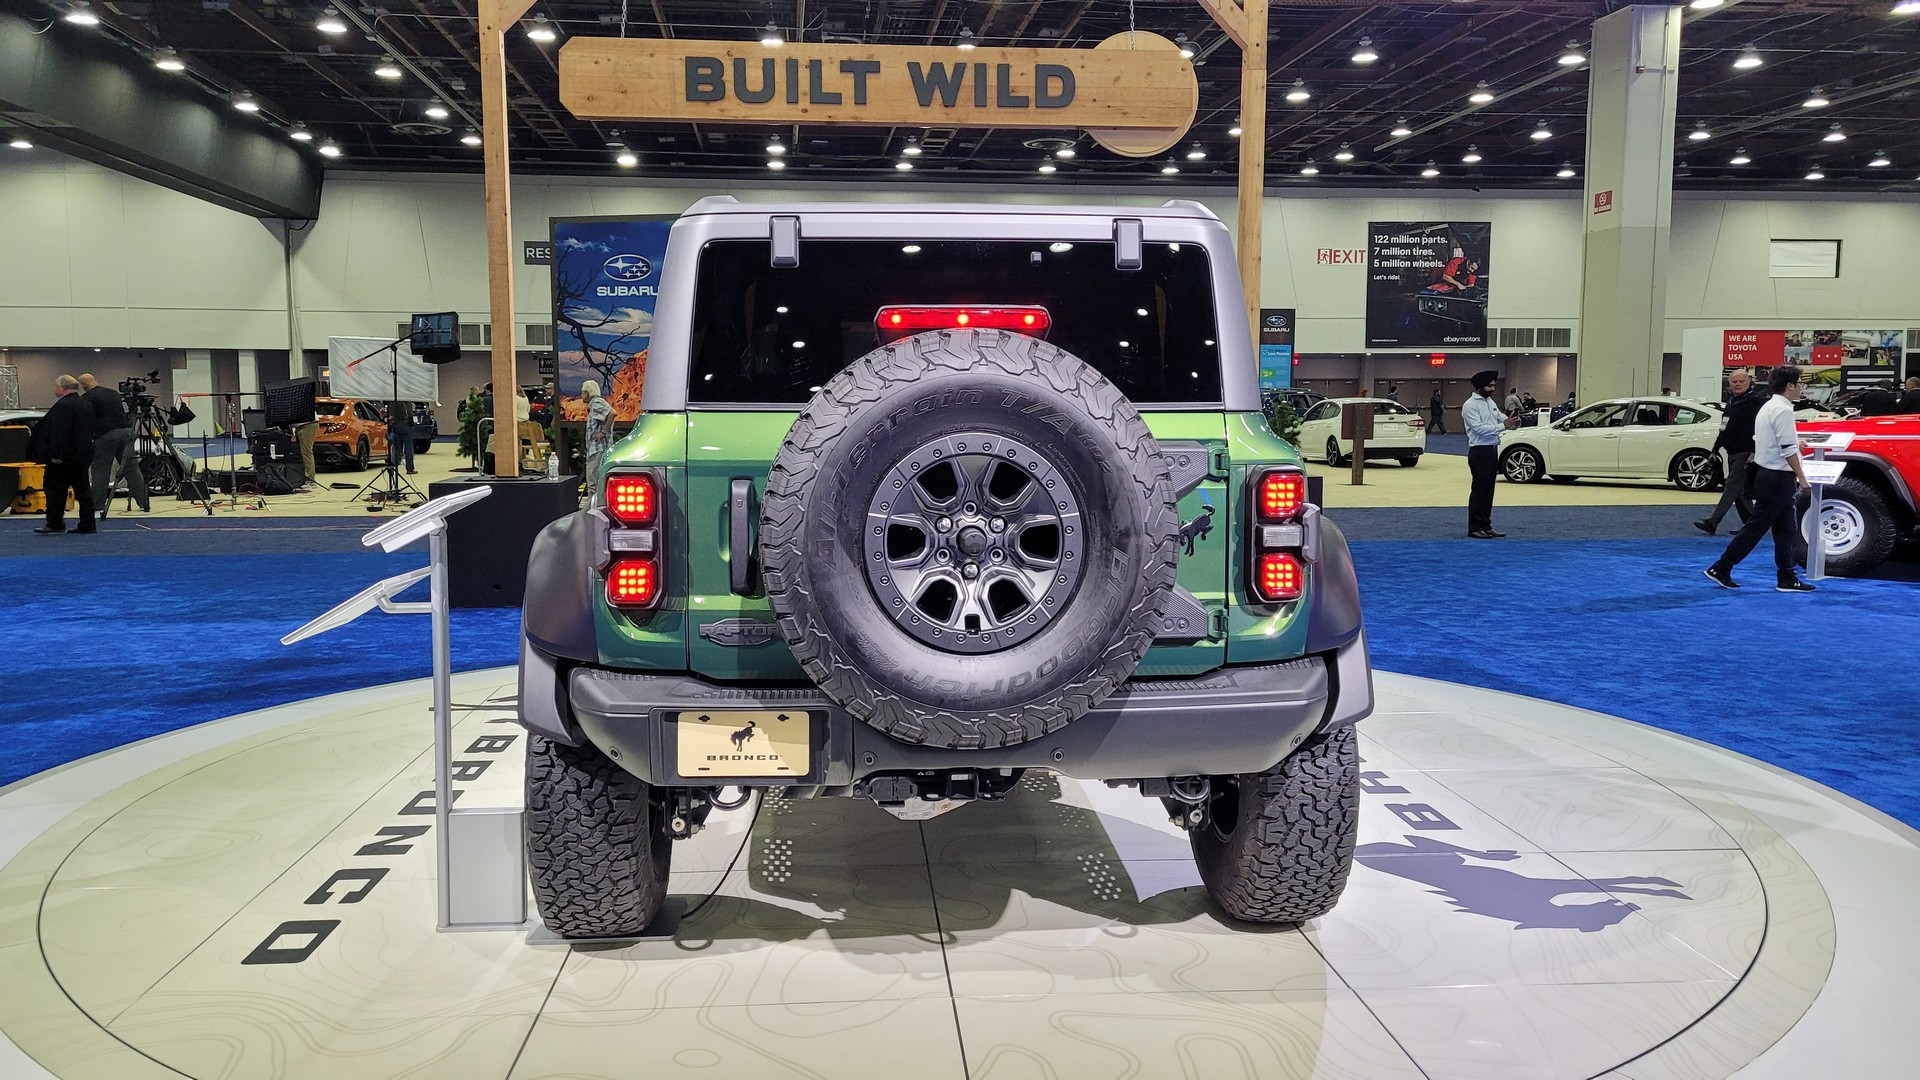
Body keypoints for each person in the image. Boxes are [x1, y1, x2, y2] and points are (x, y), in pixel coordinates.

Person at [1705, 366, 1814, 592]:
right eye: (1800, 383)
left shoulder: (1769, 406)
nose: (1802, 388)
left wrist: (1795, 444)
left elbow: (1767, 439)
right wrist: (1802, 478)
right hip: (1778, 478)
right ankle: (1721, 567)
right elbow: (1786, 449)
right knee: (1757, 528)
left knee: (1785, 529)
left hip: (1769, 475)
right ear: (1790, 385)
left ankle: (1787, 577)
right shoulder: (1782, 410)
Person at [1695, 369, 1760, 536]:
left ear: (1748, 382)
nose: (1738, 384)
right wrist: (1715, 449)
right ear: (1729, 384)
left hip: (1745, 452)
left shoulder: (1755, 402)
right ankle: (1752, 525)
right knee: (1740, 492)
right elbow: (1724, 427)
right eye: (1734, 382)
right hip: (1731, 452)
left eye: (1741, 381)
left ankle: (1712, 522)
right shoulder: (1731, 401)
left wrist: (1754, 451)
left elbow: (1759, 428)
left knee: (1732, 487)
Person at [77, 373, 149, 516]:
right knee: (131, 468)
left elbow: (86, 421)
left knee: (101, 470)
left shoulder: (86, 398)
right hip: (126, 432)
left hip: (105, 435)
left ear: (83, 386)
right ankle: (144, 502)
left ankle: (98, 504)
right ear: (96, 380)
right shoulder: (113, 393)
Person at [34, 375, 97, 535]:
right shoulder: (86, 405)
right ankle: (88, 524)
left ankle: (55, 523)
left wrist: (55, 454)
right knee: (83, 490)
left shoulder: (63, 406)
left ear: (62, 388)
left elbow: (60, 432)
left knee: (55, 489)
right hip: (83, 454)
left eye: (55, 386)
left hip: (64, 457)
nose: (54, 389)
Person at [1463, 370, 1518, 538]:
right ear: (1480, 386)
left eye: (1494, 385)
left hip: (1492, 449)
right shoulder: (1470, 405)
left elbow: (1501, 418)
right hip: (1479, 451)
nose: (1493, 388)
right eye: (1489, 386)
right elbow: (1478, 429)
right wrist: (1504, 426)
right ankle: (1474, 527)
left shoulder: (1490, 402)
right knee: (1479, 491)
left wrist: (1514, 422)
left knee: (1488, 491)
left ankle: (1485, 525)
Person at [583, 379, 615, 480]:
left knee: (593, 480)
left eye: (583, 392)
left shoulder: (596, 402)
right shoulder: (594, 404)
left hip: (598, 449)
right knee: (593, 479)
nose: (581, 395)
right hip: (595, 449)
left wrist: (603, 432)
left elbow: (612, 413)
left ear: (587, 393)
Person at [386, 399, 416, 475]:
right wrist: (412, 424)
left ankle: (392, 465)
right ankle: (410, 469)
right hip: (406, 425)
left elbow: (390, 414)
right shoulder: (405, 400)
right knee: (408, 447)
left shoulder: (392, 401)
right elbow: (409, 414)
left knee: (397, 446)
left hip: (395, 424)